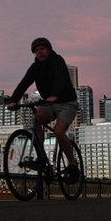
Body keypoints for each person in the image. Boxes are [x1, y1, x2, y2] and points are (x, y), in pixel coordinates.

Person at [6, 37, 80, 183]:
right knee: (36, 118)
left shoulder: (58, 60)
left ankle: (72, 164)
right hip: (49, 104)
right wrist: (13, 100)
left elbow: (62, 78)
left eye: (42, 49)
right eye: (37, 51)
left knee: (59, 131)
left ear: (49, 49)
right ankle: (42, 159)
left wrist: (55, 94)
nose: (40, 52)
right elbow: (24, 83)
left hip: (67, 103)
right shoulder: (35, 67)